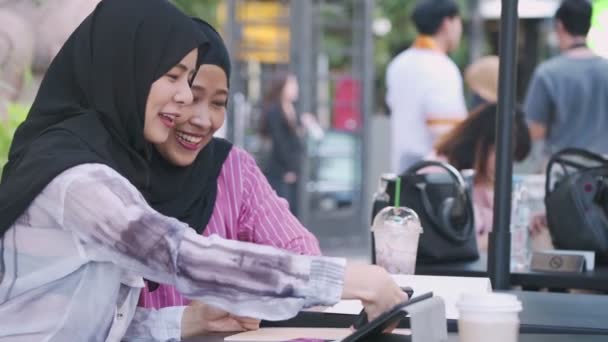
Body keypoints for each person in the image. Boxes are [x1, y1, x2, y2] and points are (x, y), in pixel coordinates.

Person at [0, 1, 407, 340]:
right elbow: (182, 256)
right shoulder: (79, 180)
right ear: (125, 71)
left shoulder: (104, 161)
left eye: (192, 82)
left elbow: (93, 328)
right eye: (173, 77)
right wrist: (352, 280)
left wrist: (184, 322)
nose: (183, 99)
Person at [138, 19, 320, 313]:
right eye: (192, 97)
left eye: (217, 103)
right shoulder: (110, 173)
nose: (202, 119)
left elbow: (298, 248)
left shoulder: (233, 168)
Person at [433, 104, 531, 251]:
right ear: (481, 143)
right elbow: (458, 249)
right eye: (503, 154)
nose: (506, 165)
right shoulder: (439, 174)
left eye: (512, 159)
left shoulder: (484, 182)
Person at [385, 0, 467, 173]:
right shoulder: (442, 67)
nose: (460, 29)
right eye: (459, 22)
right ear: (447, 23)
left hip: (401, 169)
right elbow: (447, 132)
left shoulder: (399, 63)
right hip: (432, 177)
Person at [524, 0, 608, 158]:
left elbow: (535, 131)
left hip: (563, 170)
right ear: (589, 25)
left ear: (560, 26)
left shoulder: (547, 73)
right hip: (603, 171)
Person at [260, 72, 307, 215]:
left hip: (295, 170)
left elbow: (296, 140)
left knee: (295, 212)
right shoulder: (274, 111)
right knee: (282, 212)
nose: (295, 88)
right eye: (292, 85)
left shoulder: (293, 110)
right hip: (280, 171)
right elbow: (280, 143)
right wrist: (289, 169)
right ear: (282, 87)